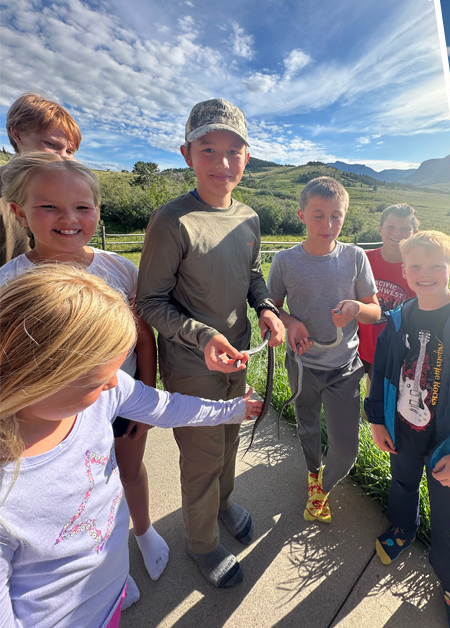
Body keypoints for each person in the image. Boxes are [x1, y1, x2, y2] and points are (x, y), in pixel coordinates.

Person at [0, 265, 263, 627]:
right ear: (40, 377)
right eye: (98, 378)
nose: (116, 382)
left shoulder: (102, 393)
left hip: (107, 586)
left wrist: (232, 410)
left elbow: (168, 407)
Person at [0, 152, 171, 582]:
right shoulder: (8, 282)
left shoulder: (120, 269)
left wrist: (146, 401)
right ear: (20, 212)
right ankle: (104, 559)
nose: (69, 219)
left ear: (97, 209)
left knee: (129, 469)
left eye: (82, 207)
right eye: (49, 207)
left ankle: (143, 529)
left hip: (119, 399)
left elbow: (143, 337)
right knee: (81, 490)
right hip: (48, 420)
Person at [136, 98, 285, 588]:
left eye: (233, 151)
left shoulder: (249, 217)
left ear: (247, 157)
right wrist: (201, 336)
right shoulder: (172, 220)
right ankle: (200, 543)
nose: (222, 162)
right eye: (208, 150)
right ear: (187, 155)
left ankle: (222, 505)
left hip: (237, 355)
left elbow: (253, 275)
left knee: (228, 439)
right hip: (191, 363)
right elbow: (150, 301)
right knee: (201, 458)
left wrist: (266, 307)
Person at [365, 231, 450, 628]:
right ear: (404, 272)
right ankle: (403, 529)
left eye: (436, 266)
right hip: (404, 432)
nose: (425, 274)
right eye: (416, 266)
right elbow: (382, 372)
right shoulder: (399, 318)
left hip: (449, 447)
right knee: (402, 484)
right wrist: (376, 419)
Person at [268, 176, 380, 522]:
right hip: (302, 364)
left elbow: (375, 311)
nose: (328, 224)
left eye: (336, 216)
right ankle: (312, 474)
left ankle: (323, 487)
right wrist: (290, 323)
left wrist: (356, 308)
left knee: (346, 451)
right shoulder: (284, 261)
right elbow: (271, 309)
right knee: (308, 427)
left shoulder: (355, 257)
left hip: (344, 367)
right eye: (318, 216)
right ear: (301, 215)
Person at [2, 93, 82, 265]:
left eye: (69, 151)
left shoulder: (69, 197)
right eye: (51, 144)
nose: (62, 158)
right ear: (17, 135)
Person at [358, 204, 418, 385]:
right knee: (345, 394)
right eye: (391, 227)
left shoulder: (416, 269)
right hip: (357, 344)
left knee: (375, 396)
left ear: (414, 233)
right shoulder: (362, 259)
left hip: (391, 350)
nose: (397, 233)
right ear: (380, 229)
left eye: (405, 229)